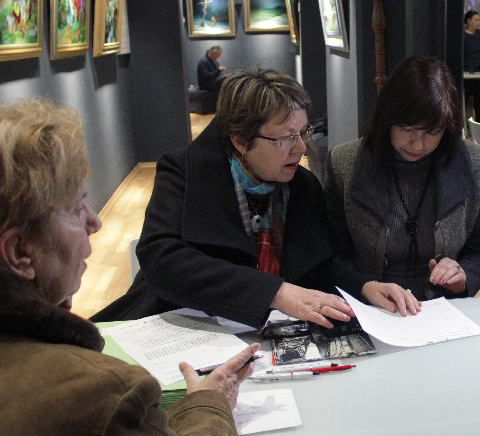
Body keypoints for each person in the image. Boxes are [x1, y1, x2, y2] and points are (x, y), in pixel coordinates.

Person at [0, 93, 260, 436]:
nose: (94, 223)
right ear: (21, 251)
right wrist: (209, 405)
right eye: (77, 207)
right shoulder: (96, 396)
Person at [324, 55, 480, 436]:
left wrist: (463, 273)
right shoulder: (347, 163)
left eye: (432, 132)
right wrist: (366, 285)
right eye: (406, 128)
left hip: (446, 311)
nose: (417, 144)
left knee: (439, 380)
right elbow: (329, 257)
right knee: (404, 386)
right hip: (372, 310)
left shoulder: (475, 165)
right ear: (386, 118)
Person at [95, 68, 355, 330]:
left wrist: (364, 285)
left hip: (268, 331)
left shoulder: (303, 186)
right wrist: (273, 293)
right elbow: (162, 259)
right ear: (240, 139)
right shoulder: (184, 173)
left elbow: (317, 265)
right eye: (287, 137)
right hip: (187, 324)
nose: (301, 148)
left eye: (303, 132)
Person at [462, 10, 480, 122]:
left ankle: (478, 122)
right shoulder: (463, 36)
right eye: (476, 20)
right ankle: (463, 124)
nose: (478, 22)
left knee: (478, 101)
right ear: (469, 21)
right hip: (467, 73)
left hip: (479, 72)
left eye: (479, 20)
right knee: (465, 99)